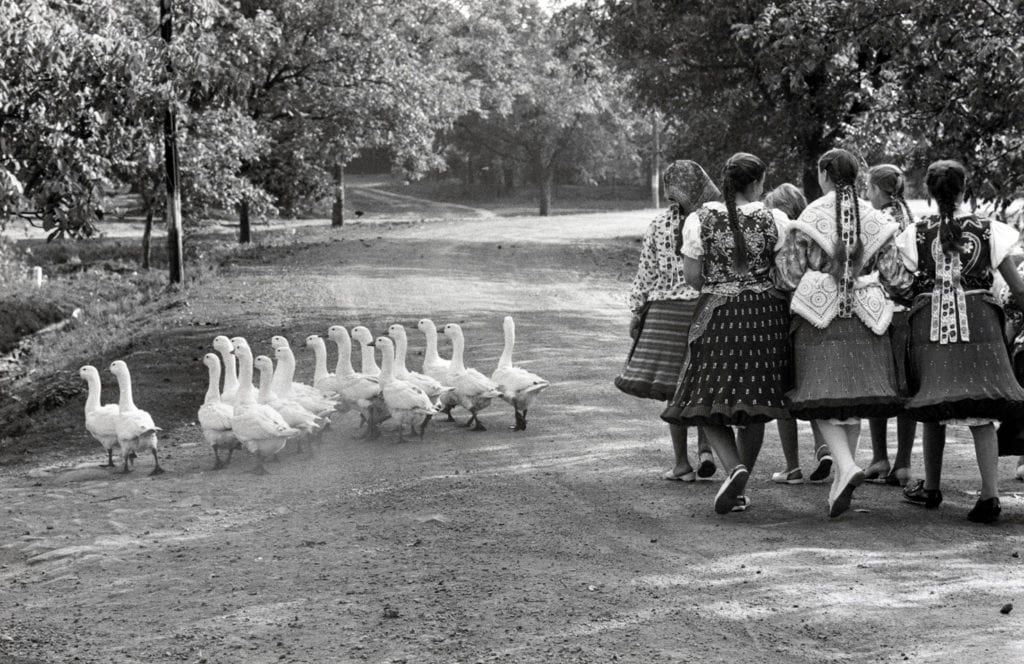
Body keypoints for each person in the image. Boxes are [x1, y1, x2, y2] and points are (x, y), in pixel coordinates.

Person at [775, 148, 906, 518]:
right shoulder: (877, 218)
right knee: (854, 398)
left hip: (820, 318)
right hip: (868, 317)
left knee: (820, 396)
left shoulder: (809, 216)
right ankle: (841, 480)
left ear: (824, 174)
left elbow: (787, 275)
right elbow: (896, 276)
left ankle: (846, 466)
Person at [661, 152, 792, 514]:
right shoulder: (775, 219)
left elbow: (692, 277)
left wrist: (723, 285)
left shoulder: (699, 220)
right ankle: (740, 486)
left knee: (702, 398)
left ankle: (733, 468)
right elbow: (786, 273)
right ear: (757, 183)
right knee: (755, 402)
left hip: (718, 314)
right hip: (765, 317)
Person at [896, 160, 1024, 523]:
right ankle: (989, 496)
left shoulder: (915, 233)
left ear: (929, 193)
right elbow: (1017, 288)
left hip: (931, 325)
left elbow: (899, 284)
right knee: (980, 410)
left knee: (933, 403)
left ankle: (932, 488)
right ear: (965, 188)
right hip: (980, 324)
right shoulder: (989, 230)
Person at [616, 160, 717, 482]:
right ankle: (706, 449)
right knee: (703, 383)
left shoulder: (658, 224)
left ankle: (682, 464)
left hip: (664, 315)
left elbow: (646, 272)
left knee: (675, 389)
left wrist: (637, 311)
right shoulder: (714, 221)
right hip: (704, 308)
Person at [763, 183, 831, 486]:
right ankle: (823, 447)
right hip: (813, 316)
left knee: (785, 393)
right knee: (810, 386)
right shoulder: (811, 233)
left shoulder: (779, 237)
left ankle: (792, 467)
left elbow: (781, 279)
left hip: (783, 315)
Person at [863, 164, 918, 487]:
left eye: (868, 188)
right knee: (906, 384)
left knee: (879, 383)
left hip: (881, 307)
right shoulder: (910, 218)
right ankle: (904, 463)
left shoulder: (877, 220)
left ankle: (879, 458)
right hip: (909, 310)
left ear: (876, 189)